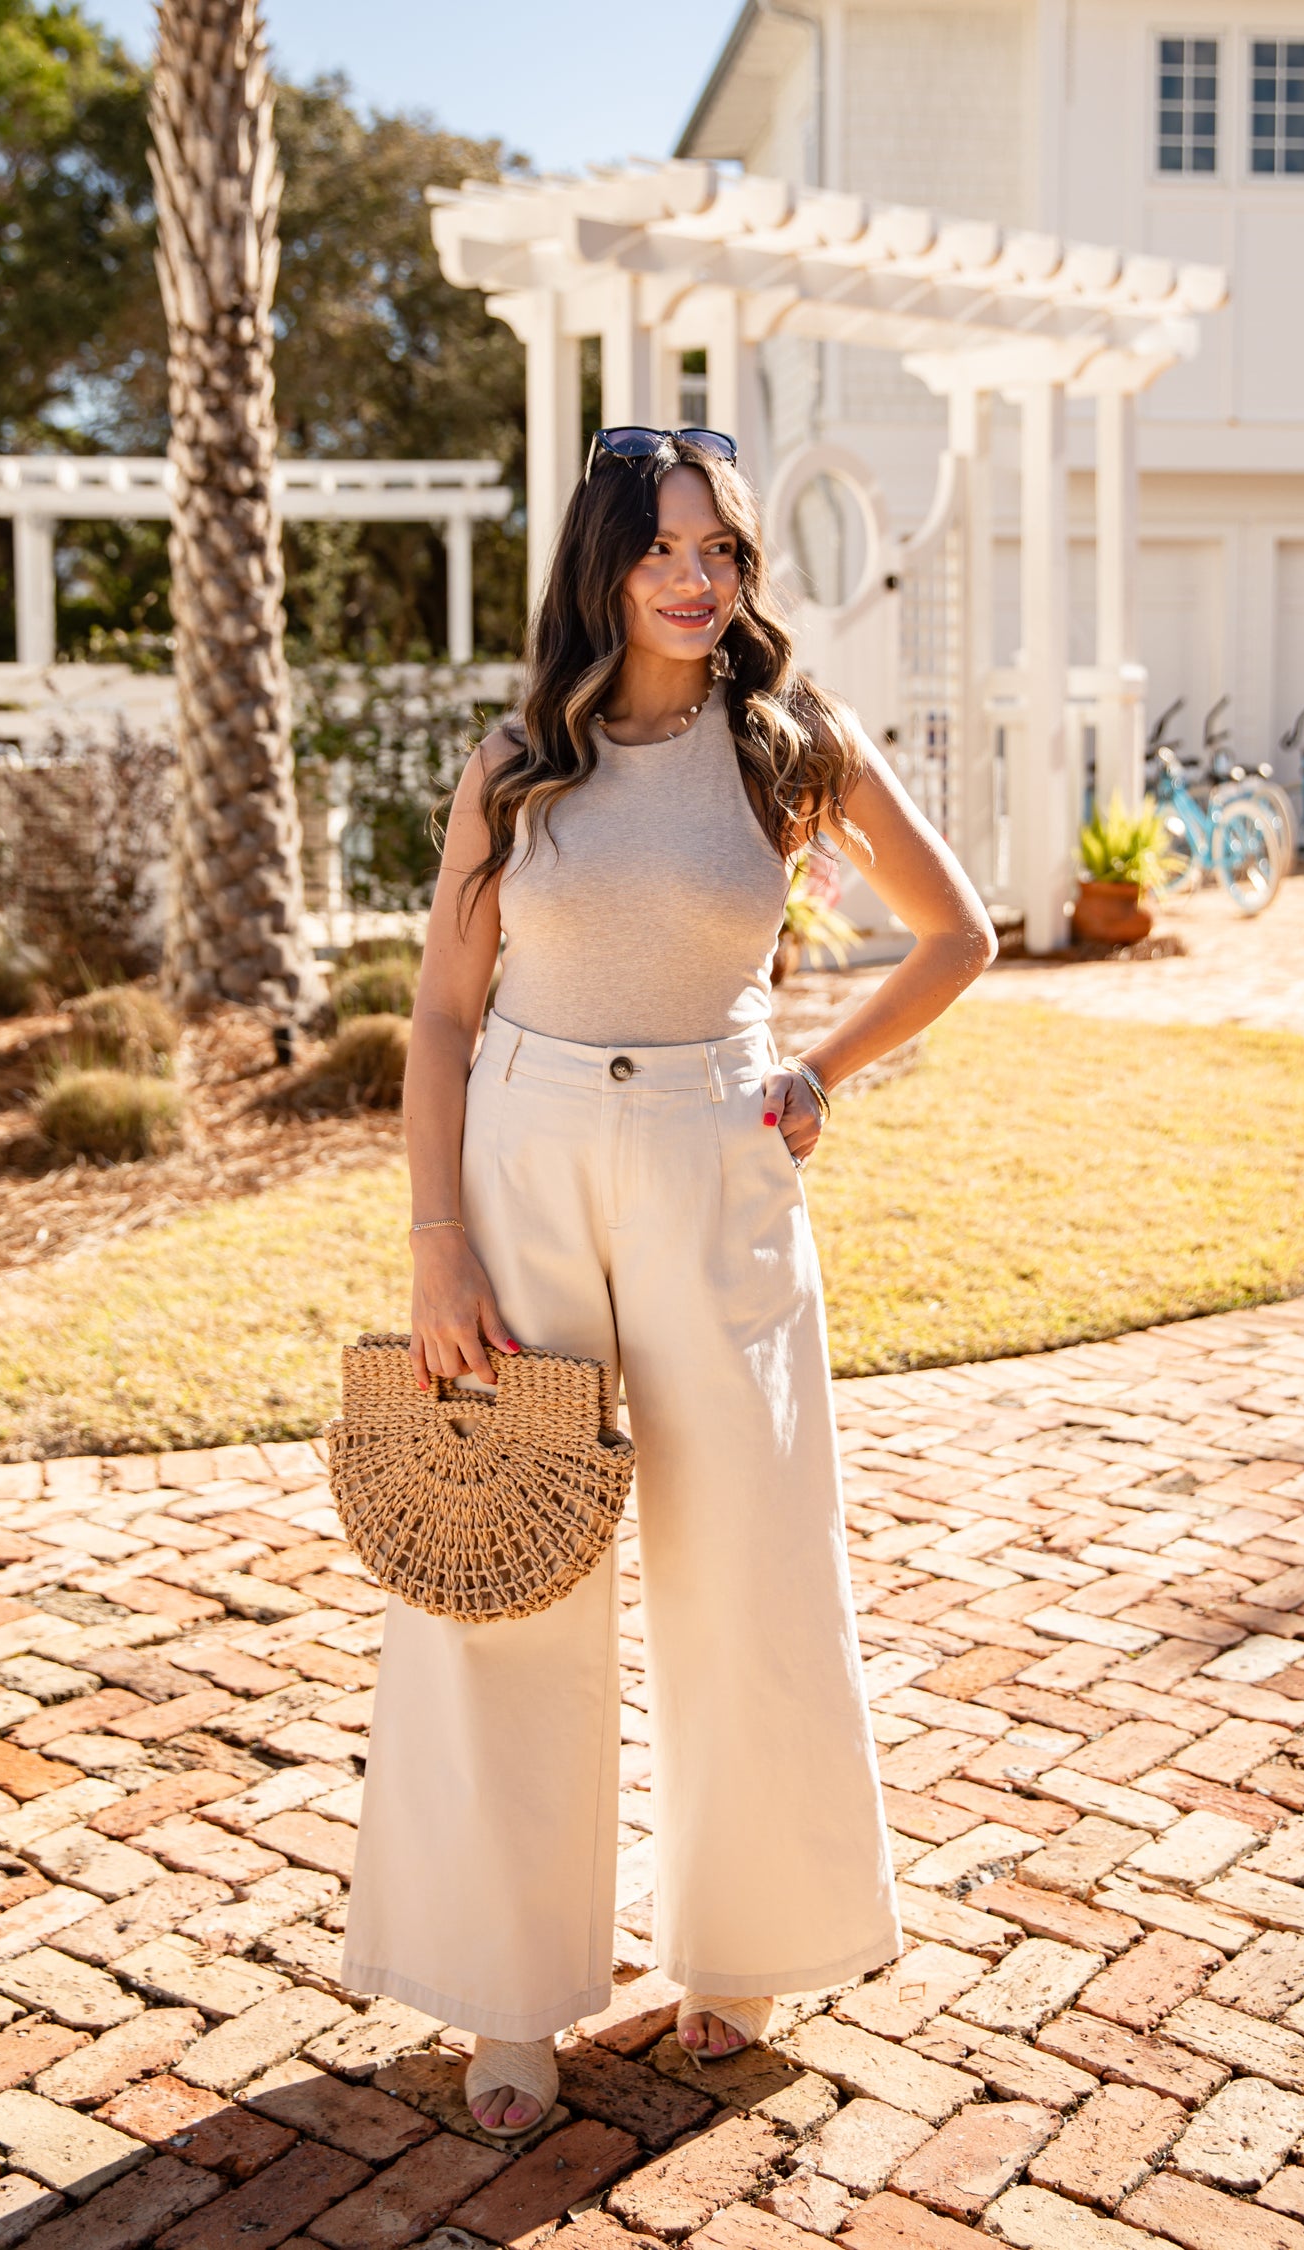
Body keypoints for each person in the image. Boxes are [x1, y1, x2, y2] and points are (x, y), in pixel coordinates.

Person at [341, 426, 998, 2135]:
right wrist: (435, 1243)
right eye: (663, 548)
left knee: (754, 1565)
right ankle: (505, 1993)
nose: (698, 580)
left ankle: (745, 1950)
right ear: (603, 564)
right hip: (526, 1159)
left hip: (722, 1158)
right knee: (508, 1571)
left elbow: (958, 932)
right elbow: (438, 1019)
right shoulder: (519, 760)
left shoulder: (790, 745)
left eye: (721, 548)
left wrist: (820, 1070)